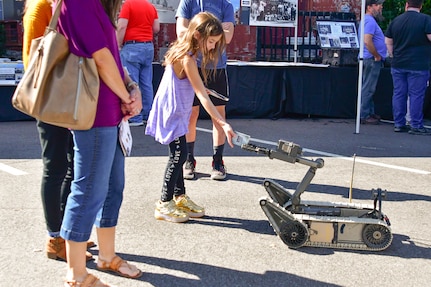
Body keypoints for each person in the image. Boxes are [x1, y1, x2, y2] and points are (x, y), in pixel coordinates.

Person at [57, 0, 143, 285]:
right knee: (88, 191)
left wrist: (131, 88)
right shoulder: (77, 3)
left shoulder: (94, 4)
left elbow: (114, 58)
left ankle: (106, 256)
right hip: (92, 114)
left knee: (112, 188)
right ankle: (76, 274)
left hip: (111, 114)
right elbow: (102, 59)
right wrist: (127, 96)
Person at [145, 12, 236, 223]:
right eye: (211, 41)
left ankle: (179, 197)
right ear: (197, 35)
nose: (213, 47)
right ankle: (164, 203)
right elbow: (202, 96)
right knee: (178, 155)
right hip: (173, 113)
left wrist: (204, 89)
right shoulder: (187, 58)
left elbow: (195, 87)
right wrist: (222, 122)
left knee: (180, 153)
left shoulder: (187, 53)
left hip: (177, 112)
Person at [22, 0, 93, 262]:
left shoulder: (59, 4)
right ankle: (54, 237)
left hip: (66, 98)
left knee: (70, 166)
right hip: (51, 98)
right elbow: (33, 57)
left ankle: (65, 232)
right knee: (55, 167)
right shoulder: (41, 6)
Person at [176, 0, 235, 180]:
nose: (211, 43)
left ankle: (218, 161)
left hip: (217, 68)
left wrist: (202, 34)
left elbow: (228, 36)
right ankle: (189, 159)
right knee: (191, 115)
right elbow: (181, 32)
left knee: (218, 115)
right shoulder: (188, 2)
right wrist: (210, 35)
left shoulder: (226, 6)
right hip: (193, 65)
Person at [385, 0, 431, 135]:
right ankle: (415, 124)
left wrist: (393, 54)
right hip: (418, 64)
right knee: (416, 94)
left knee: (399, 93)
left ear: (406, 5)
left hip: (398, 63)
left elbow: (388, 41)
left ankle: (399, 123)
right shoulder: (426, 20)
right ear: (421, 6)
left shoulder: (396, 21)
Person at [117, 0, 160, 127]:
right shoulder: (150, 6)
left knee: (132, 82)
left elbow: (121, 26)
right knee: (147, 82)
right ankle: (149, 116)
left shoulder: (128, 5)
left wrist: (118, 44)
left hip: (132, 46)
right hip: (148, 46)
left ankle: (135, 117)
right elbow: (156, 28)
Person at [359, 0, 386, 125]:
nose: (380, 7)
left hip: (369, 58)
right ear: (369, 7)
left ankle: (369, 112)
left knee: (368, 86)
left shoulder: (367, 20)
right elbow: (367, 40)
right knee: (369, 87)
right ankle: (364, 114)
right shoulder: (369, 21)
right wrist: (377, 55)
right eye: (377, 5)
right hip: (371, 59)